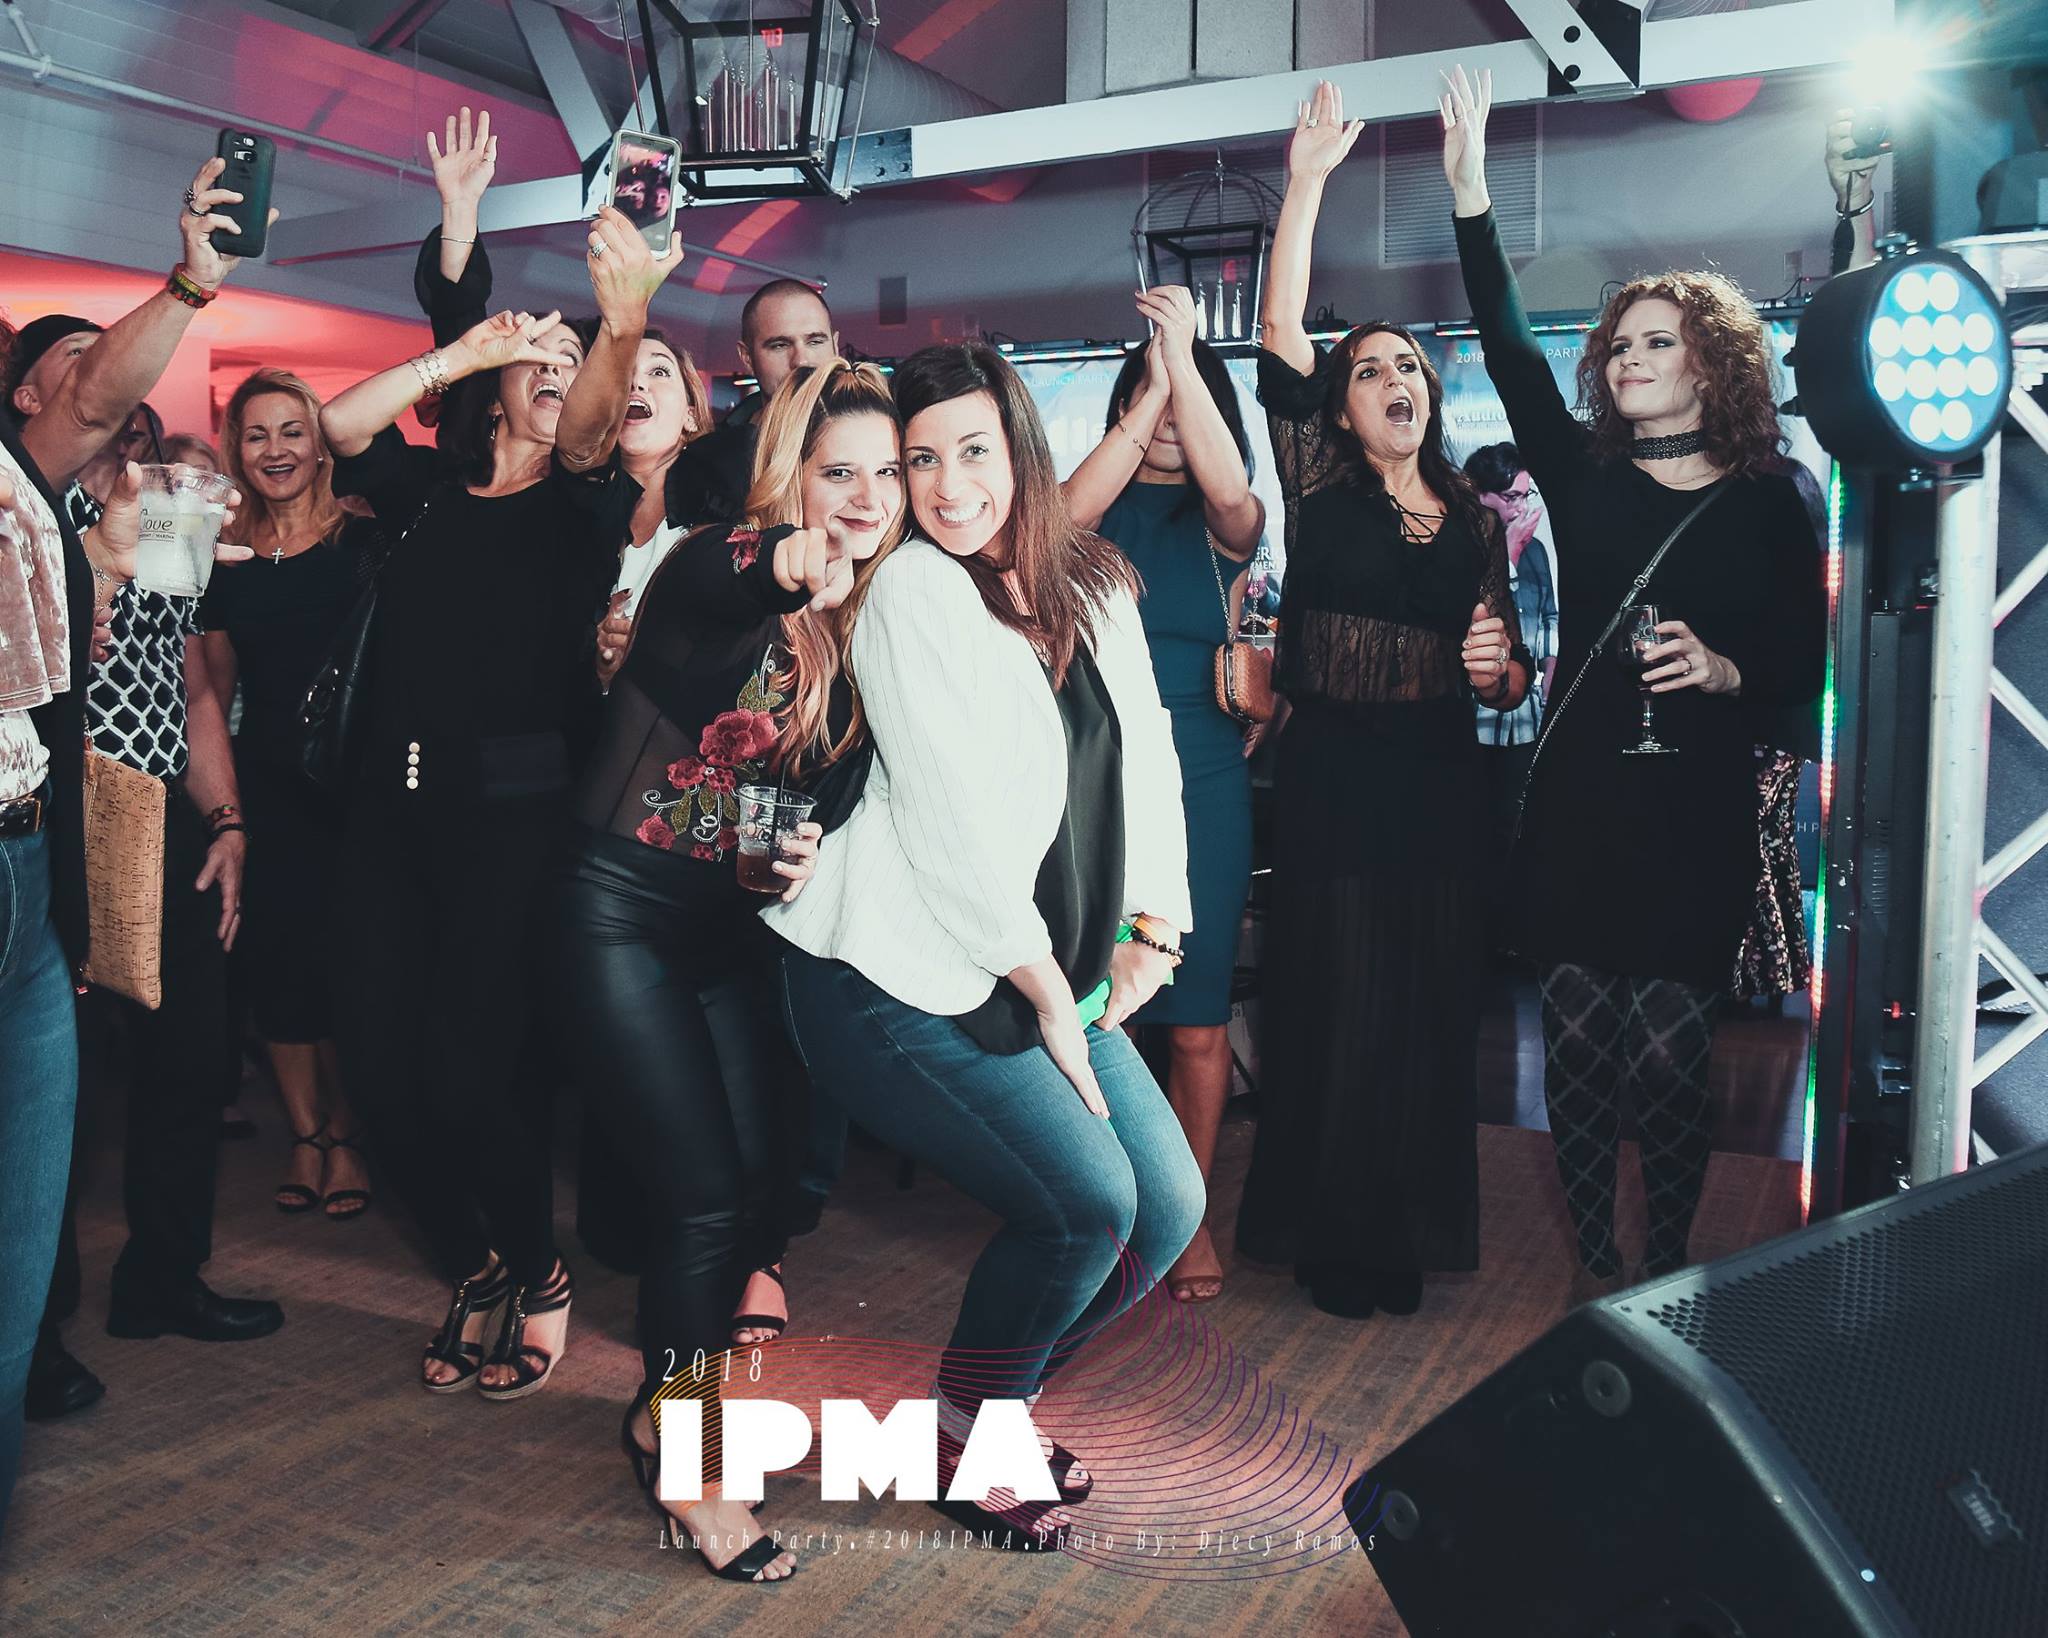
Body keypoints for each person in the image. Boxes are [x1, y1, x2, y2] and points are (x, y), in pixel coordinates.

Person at [769, 342, 1205, 1550]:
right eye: (919, 461)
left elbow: (1149, 761)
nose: (948, 485)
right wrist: (1054, 998)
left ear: (1018, 442)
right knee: (1086, 1204)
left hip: (1044, 964)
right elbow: (950, 826)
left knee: (1165, 1209)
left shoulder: (1093, 582)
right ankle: (970, 1442)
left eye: (972, 450)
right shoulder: (911, 591)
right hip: (895, 975)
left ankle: (975, 1414)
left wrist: (1152, 923)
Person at [1440, 66, 1826, 1300]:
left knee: (1668, 1051)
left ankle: (1662, 1267)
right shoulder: (1583, 477)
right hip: (1578, 804)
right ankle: (1595, 1274)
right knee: (1576, 1050)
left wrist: (1720, 666)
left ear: (1712, 363)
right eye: (1617, 344)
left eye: (1657, 342)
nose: (1626, 359)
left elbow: (1799, 667)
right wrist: (1468, 195)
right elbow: (1509, 350)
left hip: (1693, 809)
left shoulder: (1770, 500)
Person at [319, 207, 677, 1401]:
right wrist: (464, 350)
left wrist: (611, 328)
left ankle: (537, 1269)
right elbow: (340, 425)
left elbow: (590, 431)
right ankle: (473, 1264)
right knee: (378, 1075)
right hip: (385, 814)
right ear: (498, 385)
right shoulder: (426, 489)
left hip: (511, 824)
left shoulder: (582, 503)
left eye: (572, 366)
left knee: (468, 1076)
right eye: (537, 358)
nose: (554, 374)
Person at [560, 358, 902, 1583]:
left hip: (723, 937)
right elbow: (737, 571)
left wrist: (796, 849)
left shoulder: (872, 630)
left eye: (885, 474)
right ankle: (693, 1468)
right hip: (612, 916)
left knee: (757, 1194)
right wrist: (794, 561)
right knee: (703, 1201)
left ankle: (665, 1405)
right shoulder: (718, 564)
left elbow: (785, 808)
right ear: (788, 478)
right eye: (835, 472)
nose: (863, 498)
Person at [1232, 81, 1529, 1323]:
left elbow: (1507, 668)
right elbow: (1278, 333)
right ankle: (1326, 1232)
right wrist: (1304, 181)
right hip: (1334, 783)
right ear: (1341, 407)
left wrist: (1499, 666)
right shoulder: (1318, 488)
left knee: (1418, 1011)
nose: (1391, 376)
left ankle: (1401, 1229)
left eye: (1407, 364)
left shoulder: (1471, 517)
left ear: (1428, 395)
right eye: (1368, 369)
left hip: (1439, 787)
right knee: (1334, 1003)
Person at [10, 159, 275, 1427]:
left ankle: (163, 1278)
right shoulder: (32, 504)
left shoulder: (164, 514)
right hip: (63, 814)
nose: (113, 390)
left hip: (162, 809)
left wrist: (225, 821)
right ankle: (37, 1331)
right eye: (83, 365)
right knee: (48, 1094)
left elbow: (193, 684)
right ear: (31, 398)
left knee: (188, 1057)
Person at [1062, 287, 1263, 1304]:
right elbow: (1059, 515)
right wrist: (1152, 386)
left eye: (1193, 401)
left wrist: (1181, 360)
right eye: (1152, 397)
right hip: (1092, 784)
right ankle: (1108, 1212)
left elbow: (1234, 494)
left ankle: (1188, 1216)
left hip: (1204, 781)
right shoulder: (1092, 520)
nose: (1175, 414)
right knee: (1102, 1011)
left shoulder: (1224, 524)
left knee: (1193, 1021)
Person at [200, 369, 383, 1220]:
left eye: (291, 431)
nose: (275, 450)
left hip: (356, 788)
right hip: (266, 786)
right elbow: (213, 693)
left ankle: (348, 1135)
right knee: (278, 964)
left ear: (320, 444)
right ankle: (306, 1135)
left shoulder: (364, 545)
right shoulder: (224, 562)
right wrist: (226, 811)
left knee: (349, 964)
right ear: (236, 450)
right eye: (256, 434)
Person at [1465, 440, 1559, 952]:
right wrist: (1510, 554)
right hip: (1471, 720)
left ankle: (1507, 938)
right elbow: (1485, 617)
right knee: (1469, 828)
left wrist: (1548, 682)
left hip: (1525, 721)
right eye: (1510, 498)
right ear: (1480, 496)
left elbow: (1548, 622)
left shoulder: (1536, 550)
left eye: (1525, 496)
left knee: (1515, 825)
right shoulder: (1467, 546)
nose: (1521, 508)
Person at [666, 277, 839, 529]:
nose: (801, 360)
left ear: (835, 345)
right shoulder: (713, 459)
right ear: (747, 357)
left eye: (815, 341)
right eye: (780, 345)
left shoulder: (878, 436)